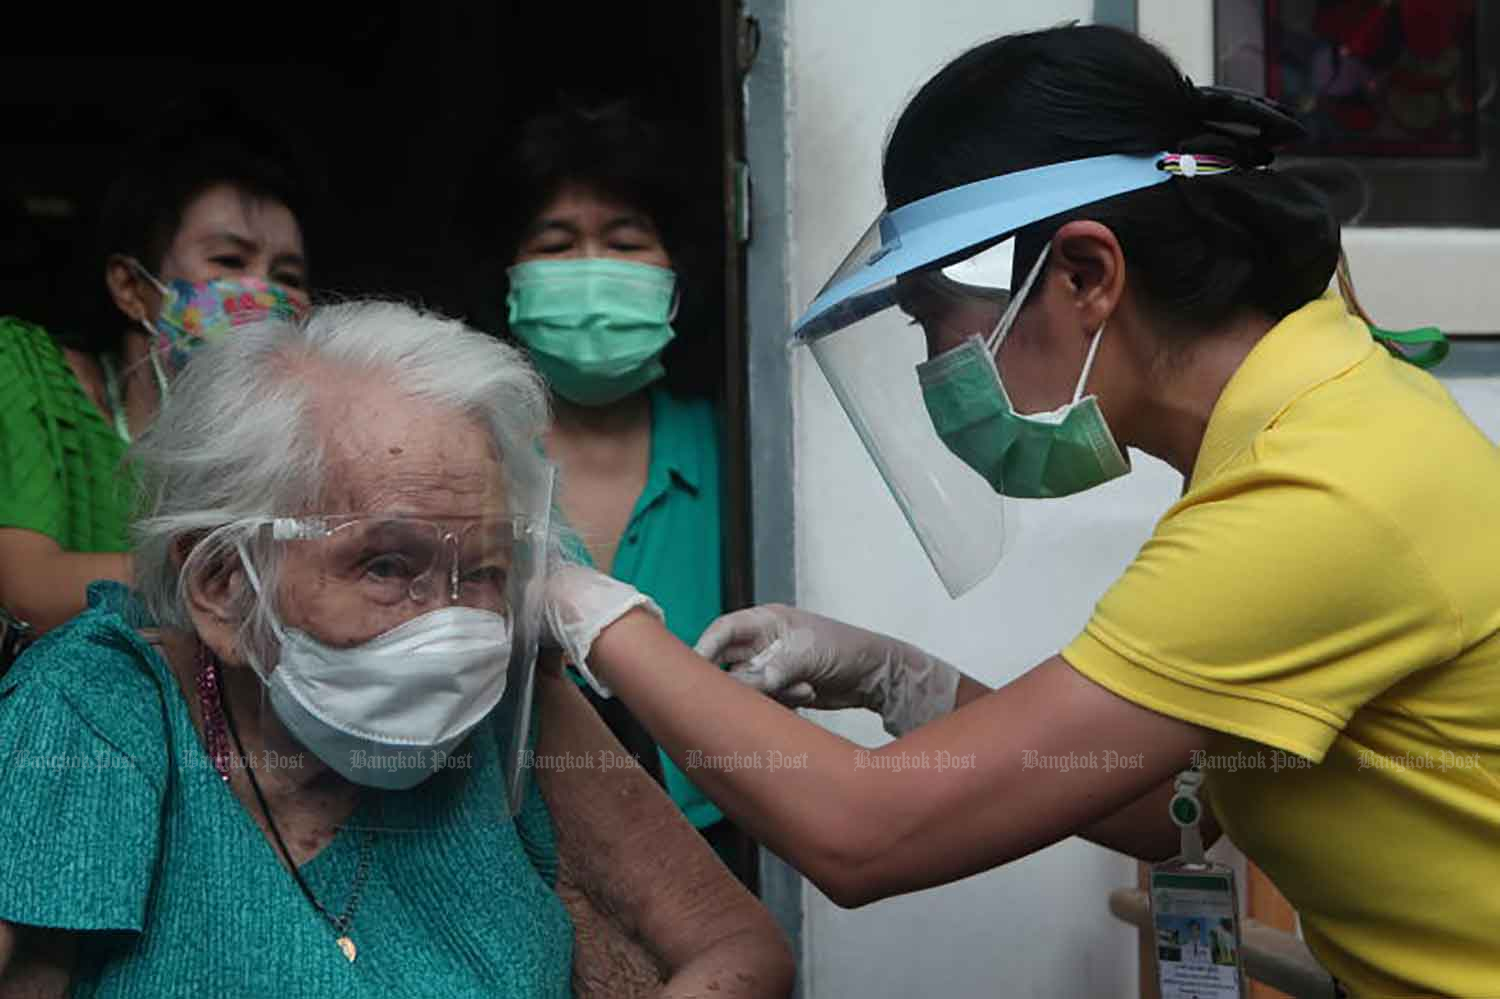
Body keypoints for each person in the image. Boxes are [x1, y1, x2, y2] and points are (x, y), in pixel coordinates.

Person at [539, 24, 1500, 999]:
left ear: (1086, 276)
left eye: (933, 322)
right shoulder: (1308, 425)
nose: (934, 373)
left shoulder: (1317, 493)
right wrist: (896, 680)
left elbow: (863, 836)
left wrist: (582, 604)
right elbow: (1167, 807)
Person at [0, 302, 792, 998]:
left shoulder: (511, 706)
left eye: (480, 569)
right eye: (385, 565)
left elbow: (738, 947)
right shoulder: (97, 709)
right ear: (223, 585)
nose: (446, 631)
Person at [474, 102, 738, 859]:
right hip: (505, 848)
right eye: (557, 245)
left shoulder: (738, 451)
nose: (592, 269)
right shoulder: (462, 452)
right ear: (508, 278)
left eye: (626, 243)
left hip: (718, 851)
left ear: (678, 275)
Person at [0, 94, 311, 640]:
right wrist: (242, 578)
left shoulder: (295, 434)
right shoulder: (27, 374)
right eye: (230, 262)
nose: (265, 293)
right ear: (131, 288)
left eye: (287, 274)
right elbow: (27, 589)